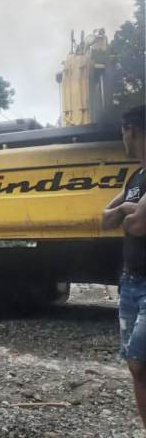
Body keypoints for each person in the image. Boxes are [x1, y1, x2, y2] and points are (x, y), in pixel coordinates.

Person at [101, 104, 146, 430]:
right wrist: (131, 207)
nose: (122, 139)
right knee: (136, 364)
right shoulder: (136, 177)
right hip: (130, 280)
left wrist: (128, 212)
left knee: (140, 358)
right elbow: (106, 218)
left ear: (131, 130)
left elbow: (137, 225)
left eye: (122, 133)